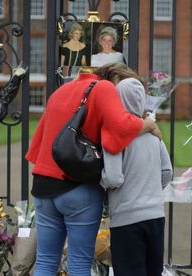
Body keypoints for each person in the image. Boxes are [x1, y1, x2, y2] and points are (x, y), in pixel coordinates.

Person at [25, 63, 160, 275]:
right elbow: (120, 128)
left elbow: (37, 146)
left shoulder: (60, 91)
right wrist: (149, 125)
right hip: (78, 188)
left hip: (43, 186)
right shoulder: (104, 88)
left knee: (45, 261)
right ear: (116, 81)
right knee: (79, 263)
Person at [100, 77, 173, 276]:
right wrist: (150, 189)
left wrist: (100, 182)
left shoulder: (115, 134)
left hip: (126, 219)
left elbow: (113, 178)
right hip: (155, 215)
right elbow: (167, 172)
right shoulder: (153, 135)